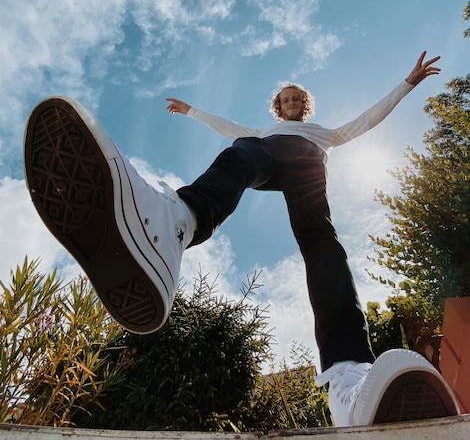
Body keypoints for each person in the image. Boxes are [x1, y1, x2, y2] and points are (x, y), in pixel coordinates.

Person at [24, 51, 459, 427]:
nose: (290, 103)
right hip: (264, 153)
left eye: (296, 99)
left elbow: (363, 122)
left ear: (303, 107)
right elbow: (229, 125)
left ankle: (348, 380)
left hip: (307, 165)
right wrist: (193, 111)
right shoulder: (264, 131)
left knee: (321, 242)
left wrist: (406, 84)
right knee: (241, 152)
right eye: (285, 99)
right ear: (278, 106)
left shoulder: (320, 132)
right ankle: (180, 220)